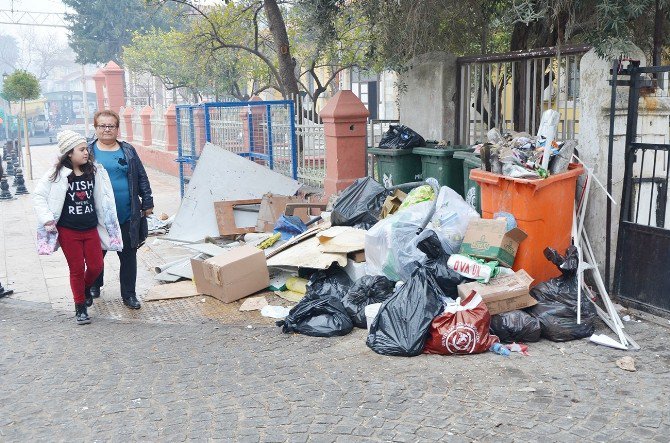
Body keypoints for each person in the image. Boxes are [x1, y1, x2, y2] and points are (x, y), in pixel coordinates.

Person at [33, 130, 123, 324]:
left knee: (96, 266)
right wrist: (47, 218)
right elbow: (38, 196)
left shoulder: (94, 171)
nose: (86, 153)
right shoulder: (56, 174)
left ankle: (83, 290)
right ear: (69, 153)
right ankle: (80, 307)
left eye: (86, 150)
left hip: (91, 229)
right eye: (81, 150)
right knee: (76, 268)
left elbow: (103, 197)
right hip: (68, 231)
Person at [88, 110, 154, 310]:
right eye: (102, 126)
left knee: (128, 255)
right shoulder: (88, 151)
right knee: (97, 255)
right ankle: (94, 284)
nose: (107, 129)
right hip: (98, 217)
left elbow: (141, 176)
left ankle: (129, 294)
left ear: (117, 128)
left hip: (127, 213)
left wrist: (148, 201)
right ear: (96, 128)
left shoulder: (128, 150)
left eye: (111, 126)